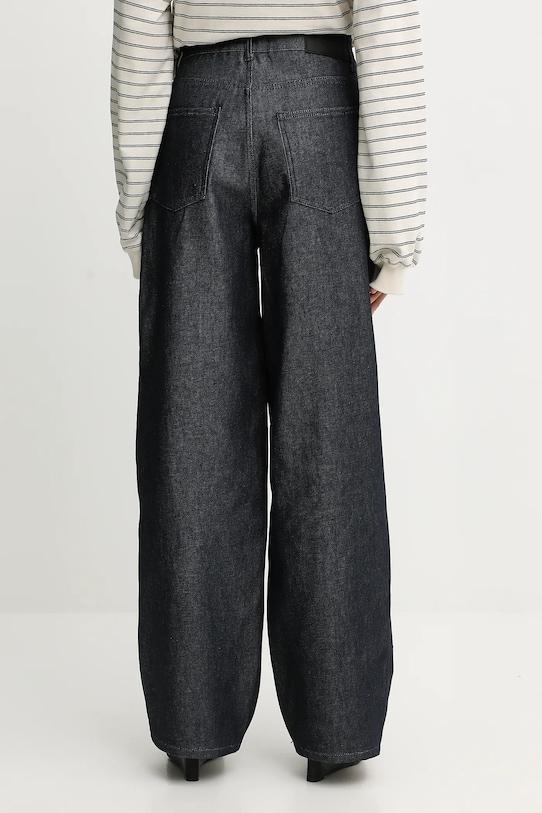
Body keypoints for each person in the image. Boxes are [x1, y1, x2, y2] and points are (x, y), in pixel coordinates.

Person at [109, 0, 426, 783]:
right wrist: (397, 235)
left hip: (195, 112)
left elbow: (141, 28)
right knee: (329, 433)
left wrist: (136, 214)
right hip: (320, 113)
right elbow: (385, 26)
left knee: (190, 434)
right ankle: (337, 727)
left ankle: (193, 724)